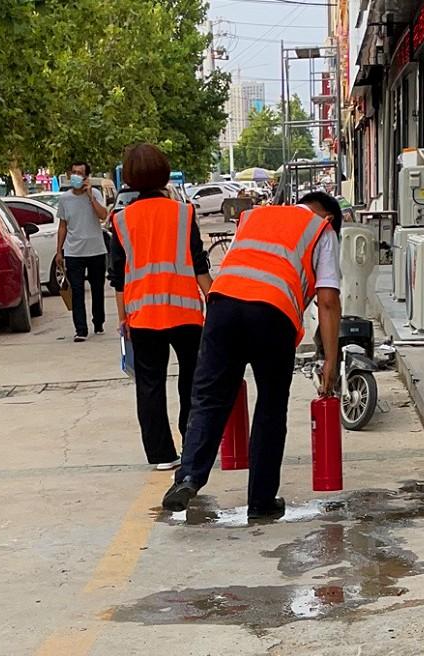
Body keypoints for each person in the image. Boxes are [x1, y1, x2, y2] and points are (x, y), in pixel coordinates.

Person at [162, 191, 343, 519]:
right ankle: (261, 501)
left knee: (209, 399)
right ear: (328, 217)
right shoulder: (322, 230)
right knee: (271, 407)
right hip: (273, 314)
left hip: (223, 305)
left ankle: (188, 476)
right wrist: (330, 359)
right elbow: (328, 299)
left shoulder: (255, 216)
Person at [109, 143, 213, 470]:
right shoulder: (184, 214)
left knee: (149, 385)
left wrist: (123, 318)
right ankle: (193, 441)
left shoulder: (121, 221)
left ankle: (161, 455)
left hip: (143, 316)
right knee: (193, 381)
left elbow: (118, 278)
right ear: (164, 174)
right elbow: (199, 266)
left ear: (128, 177)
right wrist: (217, 304)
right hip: (185, 313)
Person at [54, 160, 108, 341]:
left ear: (86, 177)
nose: (76, 176)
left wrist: (90, 197)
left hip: (96, 250)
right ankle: (81, 329)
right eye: (73, 172)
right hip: (74, 252)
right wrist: (59, 251)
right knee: (77, 290)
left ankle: (98, 321)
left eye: (80, 173)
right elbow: (63, 225)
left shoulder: (96, 194)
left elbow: (103, 215)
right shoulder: (64, 199)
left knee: (97, 289)